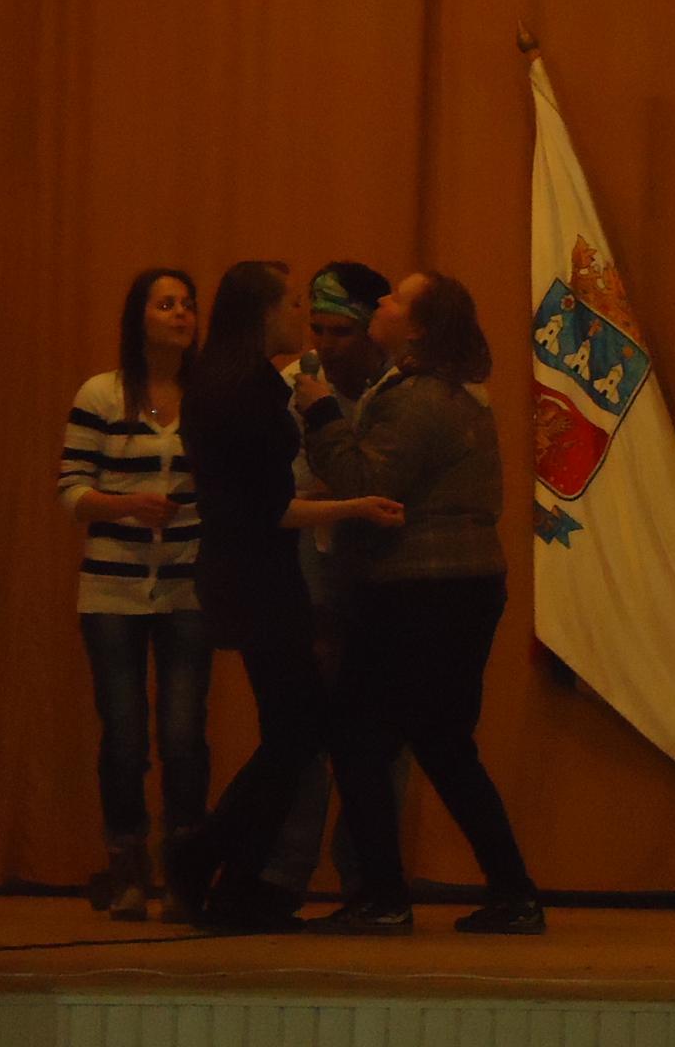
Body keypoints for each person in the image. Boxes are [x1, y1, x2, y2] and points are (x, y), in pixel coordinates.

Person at [295, 270, 545, 935]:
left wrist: (319, 412)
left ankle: (384, 897)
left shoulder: (418, 400)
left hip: (419, 590)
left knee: (358, 736)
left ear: (420, 329)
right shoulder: (448, 390)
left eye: (397, 299)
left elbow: (365, 481)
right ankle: (511, 893)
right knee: (442, 744)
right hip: (458, 586)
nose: (382, 301)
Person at [175, 259, 404, 930]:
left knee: (293, 734)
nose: (302, 319)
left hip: (250, 574)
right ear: (263, 312)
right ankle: (210, 858)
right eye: (295, 304)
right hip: (260, 579)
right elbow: (271, 506)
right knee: (296, 735)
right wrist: (356, 505)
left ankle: (230, 875)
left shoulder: (226, 380)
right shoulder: (250, 390)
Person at [253, 262, 408, 909]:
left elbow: (391, 489)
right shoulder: (292, 386)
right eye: (316, 328)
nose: (324, 344)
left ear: (372, 329)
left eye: (340, 331)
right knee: (300, 733)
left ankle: (369, 878)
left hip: (386, 586)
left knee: (380, 742)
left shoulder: (402, 390)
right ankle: (284, 875)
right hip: (308, 581)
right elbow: (288, 497)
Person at [57, 268, 208, 922]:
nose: (180, 314)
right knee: (123, 736)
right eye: (165, 303)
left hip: (187, 585)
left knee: (183, 735)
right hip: (112, 588)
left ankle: (185, 871)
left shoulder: (207, 397)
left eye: (188, 304)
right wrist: (128, 504)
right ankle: (127, 865)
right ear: (138, 318)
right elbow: (70, 490)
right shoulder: (102, 393)